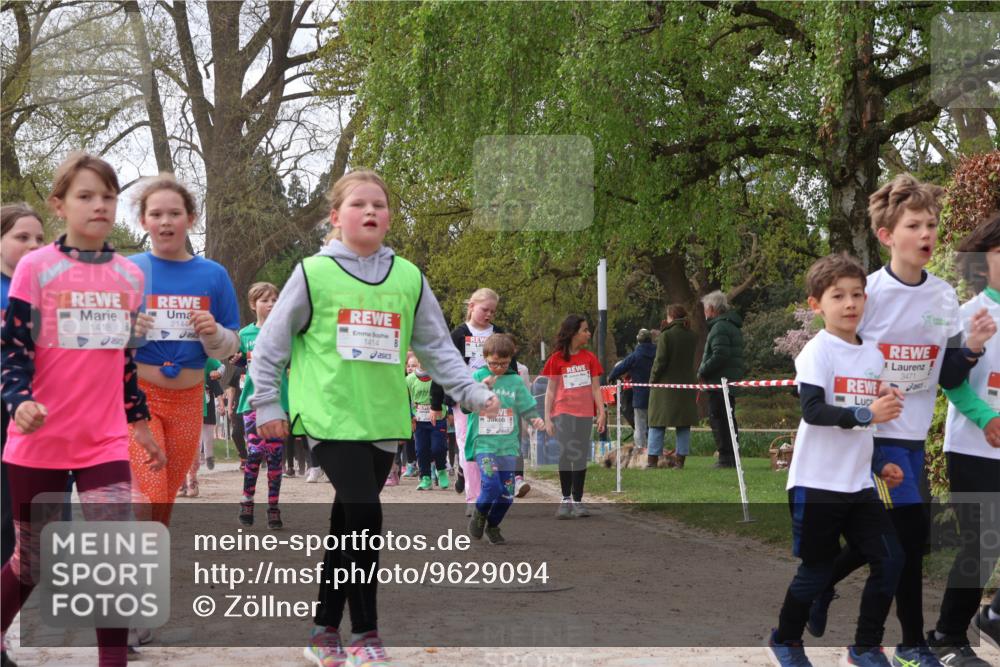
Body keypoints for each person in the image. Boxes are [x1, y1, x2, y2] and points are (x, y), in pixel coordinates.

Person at [248, 169, 498, 666]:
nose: (370, 212)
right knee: (365, 514)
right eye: (359, 204)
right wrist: (267, 404)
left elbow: (434, 346)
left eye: (379, 205)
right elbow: (271, 346)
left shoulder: (408, 277)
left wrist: (468, 391)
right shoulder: (312, 273)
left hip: (383, 420)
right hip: (327, 415)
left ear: (388, 217)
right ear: (336, 217)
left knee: (347, 522)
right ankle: (365, 635)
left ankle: (323, 631)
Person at [809, 175, 994, 667]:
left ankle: (822, 583)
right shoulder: (867, 293)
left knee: (909, 539)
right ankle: (908, 645)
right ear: (888, 235)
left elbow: (947, 373)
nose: (926, 233)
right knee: (907, 543)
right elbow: (838, 355)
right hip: (875, 437)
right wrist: (871, 392)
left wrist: (971, 347)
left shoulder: (943, 298)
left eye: (932, 224)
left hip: (911, 439)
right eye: (914, 224)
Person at [0, 153, 166, 667]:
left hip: (104, 442)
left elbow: (126, 363)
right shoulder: (36, 267)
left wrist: (138, 423)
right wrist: (19, 400)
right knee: (32, 560)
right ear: (59, 205)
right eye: (85, 196)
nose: (99, 205)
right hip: (39, 442)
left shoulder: (130, 277)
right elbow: (12, 349)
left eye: (108, 196)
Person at [766, 253, 907, 667]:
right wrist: (867, 414)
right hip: (815, 483)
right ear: (816, 304)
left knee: (890, 557)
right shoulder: (817, 351)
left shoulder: (873, 356)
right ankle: (786, 641)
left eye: (857, 295)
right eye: (838, 296)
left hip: (859, 486)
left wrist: (880, 461)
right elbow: (813, 411)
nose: (850, 304)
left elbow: (868, 424)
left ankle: (865, 647)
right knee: (814, 571)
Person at [127, 174, 241, 525]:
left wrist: (214, 333)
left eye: (174, 213)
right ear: (144, 220)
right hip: (138, 396)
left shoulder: (213, 274)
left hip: (188, 400)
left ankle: (137, 571)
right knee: (150, 494)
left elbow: (231, 345)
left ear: (190, 219)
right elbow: (100, 340)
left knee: (163, 505)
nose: (165, 221)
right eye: (156, 214)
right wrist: (127, 332)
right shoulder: (128, 270)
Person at [930, 211, 1000, 663]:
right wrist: (986, 417)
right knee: (983, 544)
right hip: (975, 447)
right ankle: (949, 639)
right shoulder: (966, 313)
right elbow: (949, 379)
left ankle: (994, 617)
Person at [429, 288, 517, 515]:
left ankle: (490, 491)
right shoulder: (458, 335)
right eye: (484, 309)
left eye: (492, 311)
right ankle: (474, 498)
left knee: (490, 447)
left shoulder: (499, 334)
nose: (488, 315)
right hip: (464, 400)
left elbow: (512, 368)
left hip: (493, 401)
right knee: (469, 445)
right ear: (471, 307)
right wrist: (435, 404)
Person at [466, 334, 544, 545]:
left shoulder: (516, 381)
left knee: (507, 493)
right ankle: (479, 513)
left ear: (511, 359)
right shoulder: (477, 377)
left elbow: (526, 405)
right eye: (493, 363)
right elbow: (466, 406)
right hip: (484, 444)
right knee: (491, 485)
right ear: (485, 358)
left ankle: (493, 524)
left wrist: (535, 419)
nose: (498, 368)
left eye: (503, 363)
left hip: (508, 447)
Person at [0, 204, 44, 569]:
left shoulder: (49, 292)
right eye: (21, 237)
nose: (33, 245)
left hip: (34, 409)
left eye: (40, 239)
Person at [235, 282, 288, 530]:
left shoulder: (286, 333)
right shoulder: (244, 335)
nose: (270, 305)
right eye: (265, 300)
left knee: (276, 457)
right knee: (255, 453)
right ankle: (247, 499)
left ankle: (273, 506)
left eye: (274, 300)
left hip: (279, 401)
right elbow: (235, 360)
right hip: (252, 402)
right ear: (253, 304)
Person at [543, 314, 605, 519]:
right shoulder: (556, 359)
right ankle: (565, 499)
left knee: (579, 454)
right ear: (573, 333)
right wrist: (547, 417)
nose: (588, 334)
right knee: (566, 452)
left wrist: (602, 412)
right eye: (585, 330)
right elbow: (550, 390)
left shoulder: (590, 358)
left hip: (585, 413)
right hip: (562, 411)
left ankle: (578, 500)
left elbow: (597, 389)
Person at [698, 290, 745, 468]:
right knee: (728, 419)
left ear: (711, 308)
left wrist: (702, 370)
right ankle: (732, 456)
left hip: (719, 382)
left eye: (705, 309)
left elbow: (720, 355)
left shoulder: (719, 327)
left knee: (719, 419)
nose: (704, 312)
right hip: (728, 380)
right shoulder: (731, 325)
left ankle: (725, 458)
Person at [647, 306, 699, 469]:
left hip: (664, 386)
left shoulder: (666, 335)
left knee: (656, 422)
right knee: (683, 424)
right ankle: (680, 461)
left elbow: (660, 361)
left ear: (670, 317)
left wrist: (652, 379)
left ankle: (652, 461)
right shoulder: (692, 336)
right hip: (685, 385)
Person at [608, 328, 656, 457]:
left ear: (638, 341)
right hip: (656, 396)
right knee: (654, 425)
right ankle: (654, 451)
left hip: (640, 396)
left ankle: (640, 452)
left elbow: (622, 367)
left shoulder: (636, 355)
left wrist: (611, 377)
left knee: (640, 425)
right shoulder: (657, 352)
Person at [179, 359, 223, 498]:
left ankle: (192, 481)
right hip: (175, 407)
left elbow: (220, 366)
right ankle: (181, 484)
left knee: (193, 447)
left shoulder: (202, 355)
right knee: (177, 448)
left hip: (196, 407)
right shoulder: (170, 351)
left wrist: (218, 372)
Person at [406, 357, 449, 490]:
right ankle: (426, 478)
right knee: (421, 450)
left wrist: (450, 412)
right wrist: (410, 417)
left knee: (438, 448)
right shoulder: (409, 379)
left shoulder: (439, 376)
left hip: (438, 418)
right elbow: (405, 401)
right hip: (419, 421)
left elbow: (448, 395)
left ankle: (441, 470)